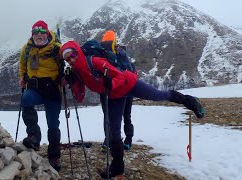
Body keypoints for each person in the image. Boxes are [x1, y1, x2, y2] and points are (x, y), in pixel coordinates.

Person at [61, 40, 205, 178]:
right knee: (114, 132)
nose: (71, 60)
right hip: (113, 96)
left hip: (129, 84)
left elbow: (120, 76)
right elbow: (79, 97)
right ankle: (117, 167)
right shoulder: (77, 72)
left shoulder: (94, 61)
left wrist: (110, 84)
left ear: (77, 51)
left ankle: (189, 101)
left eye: (72, 55)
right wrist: (71, 82)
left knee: (158, 95)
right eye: (68, 59)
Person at [18, 20, 65, 171]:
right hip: (35, 89)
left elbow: (66, 63)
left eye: (42, 32)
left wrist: (65, 77)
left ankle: (54, 156)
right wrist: (22, 77)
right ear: (32, 34)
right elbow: (22, 66)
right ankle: (34, 137)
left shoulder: (57, 48)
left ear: (47, 33)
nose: (39, 35)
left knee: (53, 124)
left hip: (52, 90)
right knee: (26, 99)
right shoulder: (27, 49)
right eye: (36, 33)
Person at [100, 30, 135, 150]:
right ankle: (116, 140)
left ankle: (121, 140)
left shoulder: (120, 54)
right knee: (121, 115)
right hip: (117, 88)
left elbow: (128, 70)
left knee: (117, 115)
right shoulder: (119, 53)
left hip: (121, 88)